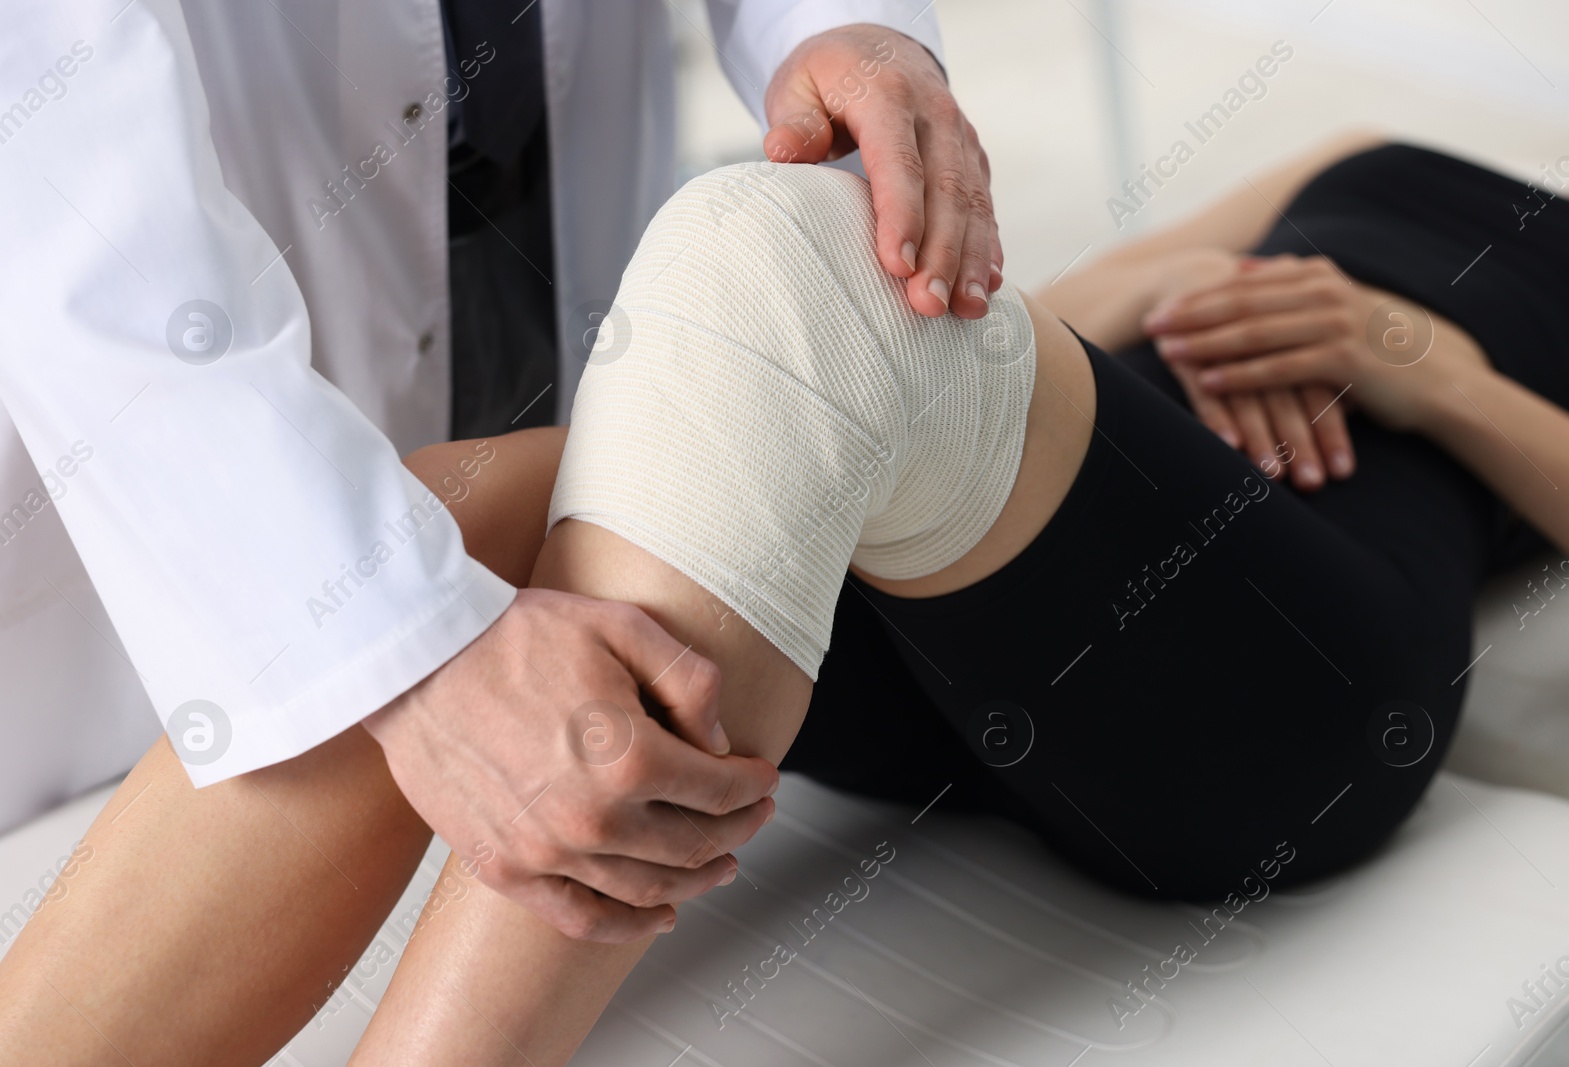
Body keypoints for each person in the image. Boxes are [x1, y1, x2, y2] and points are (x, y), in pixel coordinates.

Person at [4, 131, 1569, 1063]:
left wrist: (1419, 365)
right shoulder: (1360, 160)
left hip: (1286, 648)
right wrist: (1166, 327)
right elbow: (1044, 303)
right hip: (1037, 543)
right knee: (428, 536)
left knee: (788, 261)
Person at [0, 0, 1015, 936]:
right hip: (162, 482)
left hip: (544, 320)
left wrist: (837, 25)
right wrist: (398, 640)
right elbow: (66, 204)